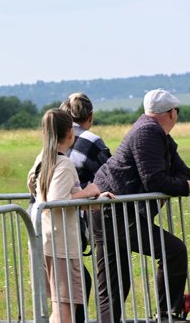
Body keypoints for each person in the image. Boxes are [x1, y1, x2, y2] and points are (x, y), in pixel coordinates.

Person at [92, 89, 190, 323]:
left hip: (108, 210)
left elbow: (182, 171)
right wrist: (186, 187)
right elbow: (154, 179)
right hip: (116, 211)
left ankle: (166, 314)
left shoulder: (156, 133)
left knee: (115, 285)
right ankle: (168, 315)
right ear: (172, 113)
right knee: (173, 251)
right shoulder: (148, 132)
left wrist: (184, 181)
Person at [27, 109, 114, 323]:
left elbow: (36, 189)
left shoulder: (42, 158)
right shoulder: (64, 163)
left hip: (44, 239)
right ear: (70, 133)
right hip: (61, 245)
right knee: (65, 309)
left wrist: (89, 199)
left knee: (59, 305)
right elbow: (56, 202)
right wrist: (88, 191)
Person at [59, 92, 111, 323]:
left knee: (74, 282)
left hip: (58, 221)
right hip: (76, 220)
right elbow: (111, 172)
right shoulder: (91, 140)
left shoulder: (56, 140)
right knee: (79, 281)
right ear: (90, 115)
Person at [60, 93, 112, 188]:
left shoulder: (55, 137)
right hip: (82, 200)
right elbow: (110, 175)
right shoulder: (91, 140)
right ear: (90, 116)